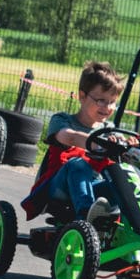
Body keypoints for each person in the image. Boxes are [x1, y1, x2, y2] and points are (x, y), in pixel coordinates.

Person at [22, 61, 125, 223]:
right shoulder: (62, 120)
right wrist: (99, 144)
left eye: (112, 102)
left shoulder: (109, 129)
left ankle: (132, 229)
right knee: (78, 164)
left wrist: (126, 147)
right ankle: (86, 215)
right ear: (82, 96)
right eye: (101, 100)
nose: (107, 107)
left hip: (94, 188)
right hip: (59, 186)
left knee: (125, 180)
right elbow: (69, 137)